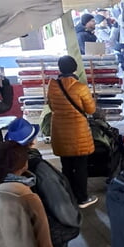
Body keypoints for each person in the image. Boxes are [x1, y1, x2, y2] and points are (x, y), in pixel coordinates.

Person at [5, 117, 81, 247]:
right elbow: (59, 203)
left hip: (28, 231)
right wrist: (75, 220)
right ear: (32, 141)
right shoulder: (40, 168)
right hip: (51, 231)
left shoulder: (5, 165)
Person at [47, 55, 97, 209]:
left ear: (60, 69)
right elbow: (91, 109)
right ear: (75, 68)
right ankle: (82, 198)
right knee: (81, 166)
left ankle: (69, 196)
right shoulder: (80, 87)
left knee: (66, 165)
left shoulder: (52, 86)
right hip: (78, 132)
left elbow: (51, 106)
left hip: (60, 131)